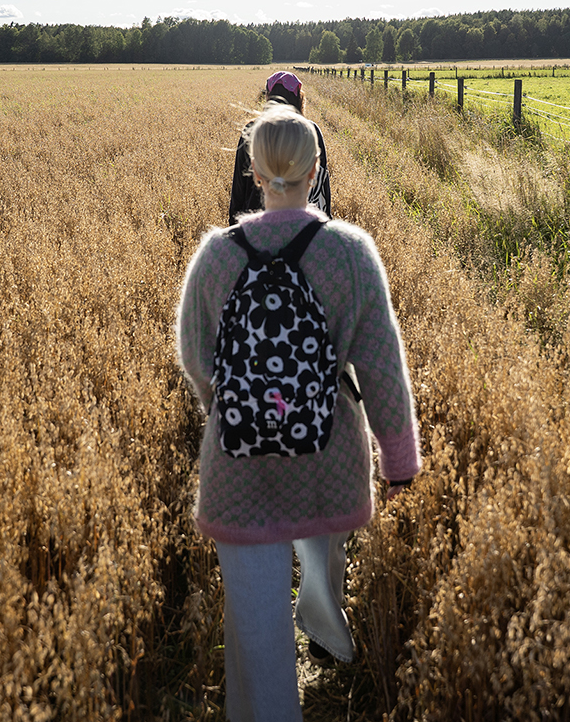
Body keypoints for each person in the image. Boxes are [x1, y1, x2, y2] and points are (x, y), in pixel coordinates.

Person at [178, 104, 421, 722]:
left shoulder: (215, 256)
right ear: (316, 171)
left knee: (256, 636)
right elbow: (383, 370)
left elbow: (195, 358)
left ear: (253, 172)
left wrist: (236, 410)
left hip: (237, 468)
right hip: (328, 459)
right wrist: (400, 464)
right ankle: (322, 614)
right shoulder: (350, 252)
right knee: (321, 559)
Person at [228, 71, 331, 225]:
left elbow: (239, 188)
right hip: (303, 228)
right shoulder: (311, 131)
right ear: (298, 99)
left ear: (268, 98)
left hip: (255, 227)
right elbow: (322, 186)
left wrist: (235, 230)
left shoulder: (251, 130)